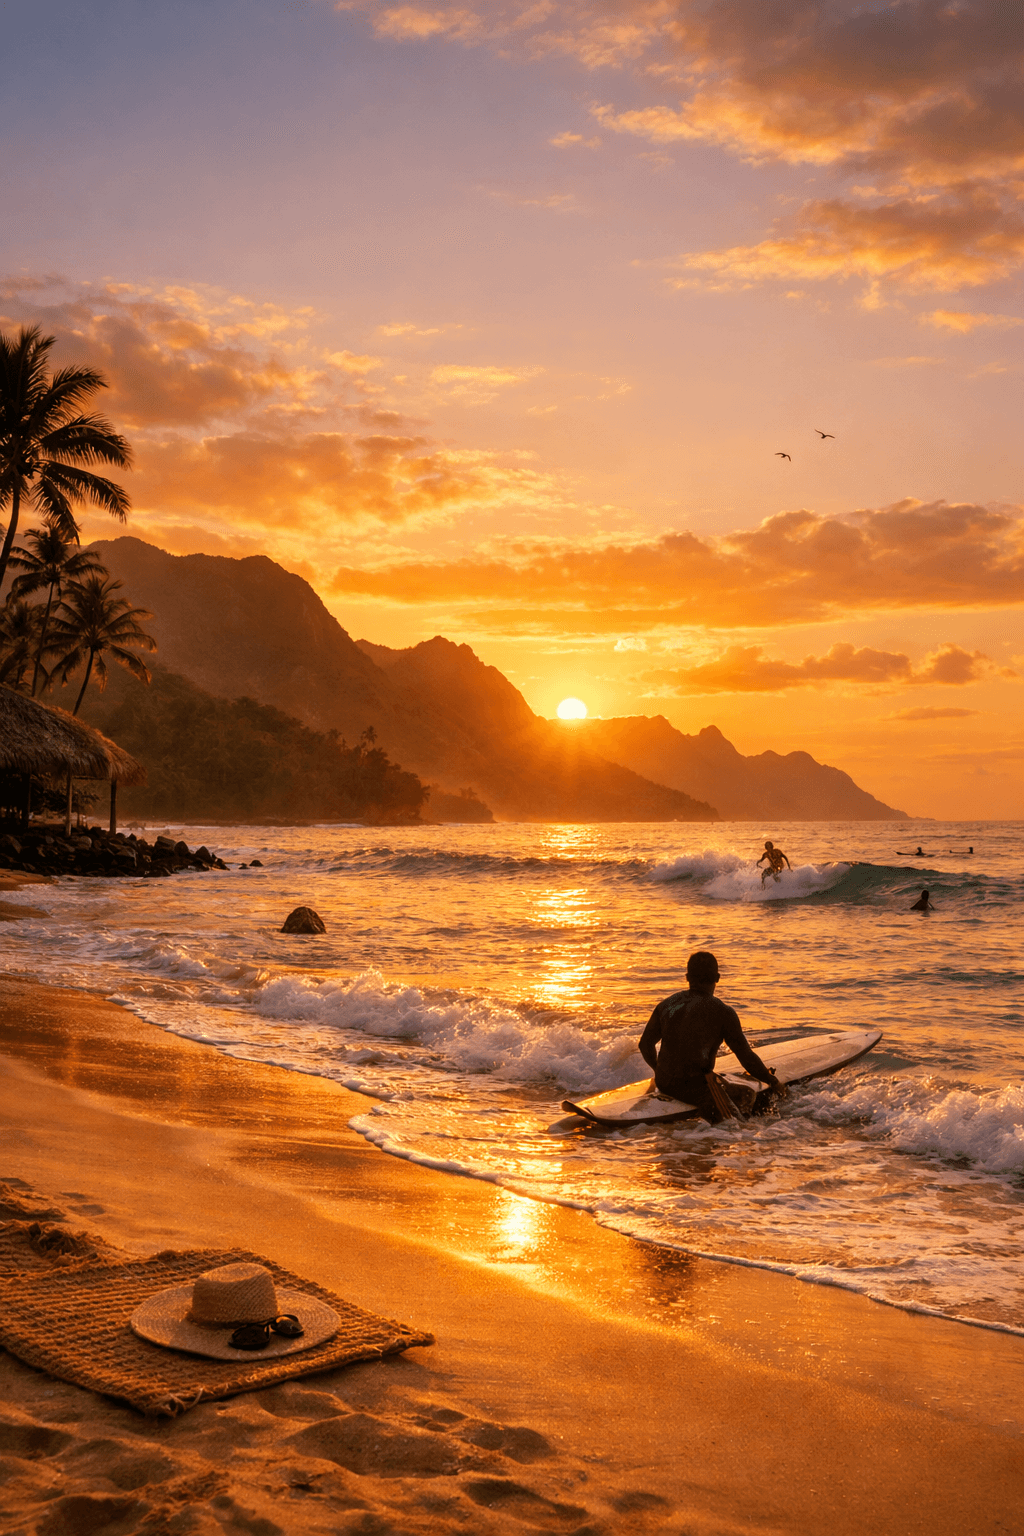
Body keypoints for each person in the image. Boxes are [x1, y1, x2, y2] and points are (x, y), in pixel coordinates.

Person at [638, 951, 782, 1124]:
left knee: (738, 1091)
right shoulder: (723, 1012)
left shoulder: (666, 1005)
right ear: (718, 978)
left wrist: (659, 1070)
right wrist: (773, 1081)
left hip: (664, 1082)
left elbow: (645, 1045)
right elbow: (745, 1056)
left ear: (687, 977)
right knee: (739, 1119)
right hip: (697, 1087)